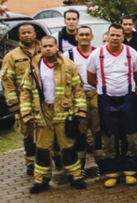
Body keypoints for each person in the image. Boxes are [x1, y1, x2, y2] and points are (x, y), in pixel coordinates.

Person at [21, 36, 87, 193]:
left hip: (64, 112)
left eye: (51, 45)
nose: (48, 48)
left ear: (56, 46)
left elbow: (78, 89)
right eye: (45, 46)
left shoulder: (68, 65)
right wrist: (26, 114)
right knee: (42, 148)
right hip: (43, 112)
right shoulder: (33, 66)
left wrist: (80, 110)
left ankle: (75, 176)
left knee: (68, 146)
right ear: (40, 48)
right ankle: (41, 180)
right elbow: (25, 91)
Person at [86, 24, 137, 188]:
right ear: (108, 35)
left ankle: (130, 171)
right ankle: (112, 172)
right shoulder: (97, 55)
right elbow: (90, 78)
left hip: (128, 100)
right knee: (110, 138)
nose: (115, 38)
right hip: (106, 101)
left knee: (130, 136)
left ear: (123, 37)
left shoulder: (131, 53)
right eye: (112, 35)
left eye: (118, 35)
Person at [1, 23, 40, 175]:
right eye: (23, 33)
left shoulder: (44, 50)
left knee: (47, 133)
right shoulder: (11, 57)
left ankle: (51, 159)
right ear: (19, 36)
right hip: (24, 103)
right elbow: (7, 83)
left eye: (29, 32)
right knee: (28, 134)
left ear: (34, 34)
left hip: (43, 102)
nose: (26, 35)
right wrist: (14, 105)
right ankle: (31, 162)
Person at [64, 26, 99, 175]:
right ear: (76, 37)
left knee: (98, 131)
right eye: (81, 35)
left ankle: (101, 163)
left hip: (96, 95)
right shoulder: (68, 55)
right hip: (79, 97)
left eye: (87, 34)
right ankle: (80, 166)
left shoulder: (98, 53)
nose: (84, 37)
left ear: (92, 36)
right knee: (80, 132)